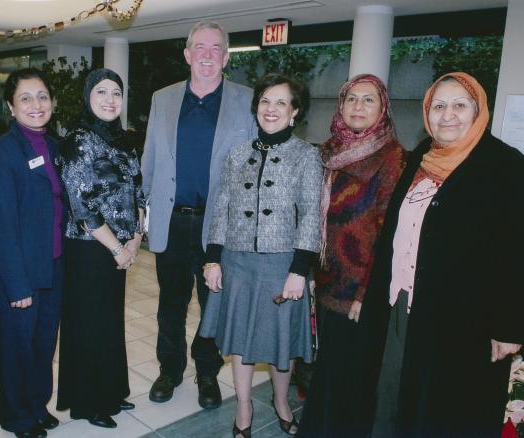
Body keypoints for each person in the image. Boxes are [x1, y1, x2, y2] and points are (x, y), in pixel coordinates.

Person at [353, 72, 524, 437]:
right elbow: (393, 232)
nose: (447, 115)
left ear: (478, 109)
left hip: (468, 321)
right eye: (438, 106)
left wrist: (511, 327)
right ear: (427, 112)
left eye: (459, 105)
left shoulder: (507, 167)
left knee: (452, 408)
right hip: (405, 305)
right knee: (394, 394)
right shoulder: (422, 155)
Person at [141, 20, 257, 409]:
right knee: (170, 303)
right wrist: (141, 210)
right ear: (188, 55)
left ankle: (207, 373)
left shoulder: (248, 100)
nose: (207, 55)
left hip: (220, 227)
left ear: (226, 57)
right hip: (172, 220)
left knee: (214, 305)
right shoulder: (163, 98)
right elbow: (151, 159)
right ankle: (169, 369)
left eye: (216, 49)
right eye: (200, 48)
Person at [200, 72, 323, 438]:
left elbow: (312, 215)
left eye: (281, 102)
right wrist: (212, 259)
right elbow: (221, 208)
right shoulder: (237, 154)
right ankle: (243, 405)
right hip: (237, 263)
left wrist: (300, 270)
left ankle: (281, 400)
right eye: (266, 101)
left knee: (280, 342)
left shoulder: (307, 155)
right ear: (256, 108)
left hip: (282, 266)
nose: (272, 109)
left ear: (294, 111)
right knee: (241, 340)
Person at [296, 74, 405, 437]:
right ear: (341, 105)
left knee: (352, 373)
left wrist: (364, 293)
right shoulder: (329, 152)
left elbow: (388, 233)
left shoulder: (391, 158)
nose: (359, 106)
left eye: (369, 100)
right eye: (352, 99)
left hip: (360, 289)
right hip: (326, 279)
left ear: (383, 108)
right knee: (328, 365)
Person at [56, 68, 143, 429]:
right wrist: (117, 249)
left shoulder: (124, 140)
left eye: (116, 93)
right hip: (90, 249)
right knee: (89, 323)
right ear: (88, 98)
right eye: (102, 92)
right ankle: (88, 402)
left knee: (110, 322)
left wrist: (136, 237)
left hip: (121, 246)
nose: (110, 100)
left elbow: (139, 190)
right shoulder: (78, 139)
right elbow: (81, 206)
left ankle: (110, 391)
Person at [0, 68, 64, 438]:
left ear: (52, 103)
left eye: (42, 96)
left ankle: (37, 405)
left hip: (53, 265)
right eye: (26, 98)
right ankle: (17, 418)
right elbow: (1, 224)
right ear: (11, 107)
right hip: (17, 274)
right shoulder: (1, 152)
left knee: (44, 344)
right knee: (15, 349)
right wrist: (16, 286)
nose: (36, 105)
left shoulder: (57, 147)